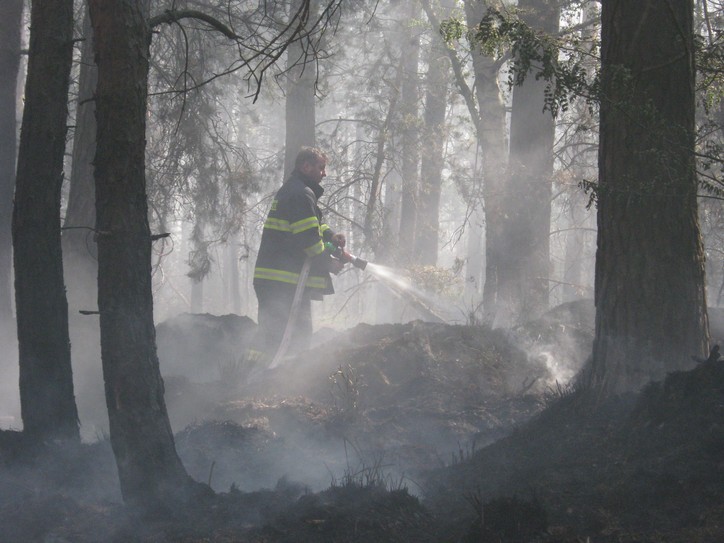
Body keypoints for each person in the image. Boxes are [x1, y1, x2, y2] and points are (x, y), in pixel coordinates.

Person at [250, 147, 346, 365]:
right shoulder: (300, 193)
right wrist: (328, 263)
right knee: (292, 336)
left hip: (280, 282)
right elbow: (309, 240)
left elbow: (313, 227)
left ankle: (252, 376)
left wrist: (332, 236)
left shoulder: (296, 192)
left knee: (273, 335)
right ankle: (270, 380)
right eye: (321, 168)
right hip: (283, 282)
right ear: (306, 166)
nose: (325, 174)